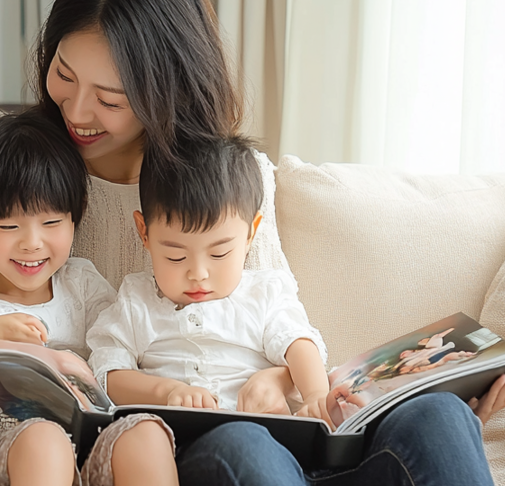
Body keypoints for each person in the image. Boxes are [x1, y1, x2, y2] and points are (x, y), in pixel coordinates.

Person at [31, 0, 505, 486]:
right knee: (245, 445)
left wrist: (282, 381)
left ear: (163, 89)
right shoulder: (30, 188)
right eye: (64, 74)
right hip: (202, 451)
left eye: (110, 98)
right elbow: (86, 368)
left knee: (440, 417)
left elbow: (282, 327)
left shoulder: (234, 181)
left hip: (291, 443)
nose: (77, 111)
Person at [0, 111, 180, 486]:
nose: (31, 243)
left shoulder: (83, 284)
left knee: (147, 434)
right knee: (44, 440)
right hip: (4, 452)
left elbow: (116, 350)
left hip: (88, 446)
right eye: (9, 226)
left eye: (52, 222)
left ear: (76, 215)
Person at [87, 136, 332, 419]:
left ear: (250, 233)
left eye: (219, 254)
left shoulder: (263, 294)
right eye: (176, 257)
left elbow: (300, 344)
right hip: (170, 429)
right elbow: (107, 372)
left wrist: (316, 396)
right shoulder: (137, 301)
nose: (198, 274)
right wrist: (167, 392)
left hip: (250, 426)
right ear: (144, 232)